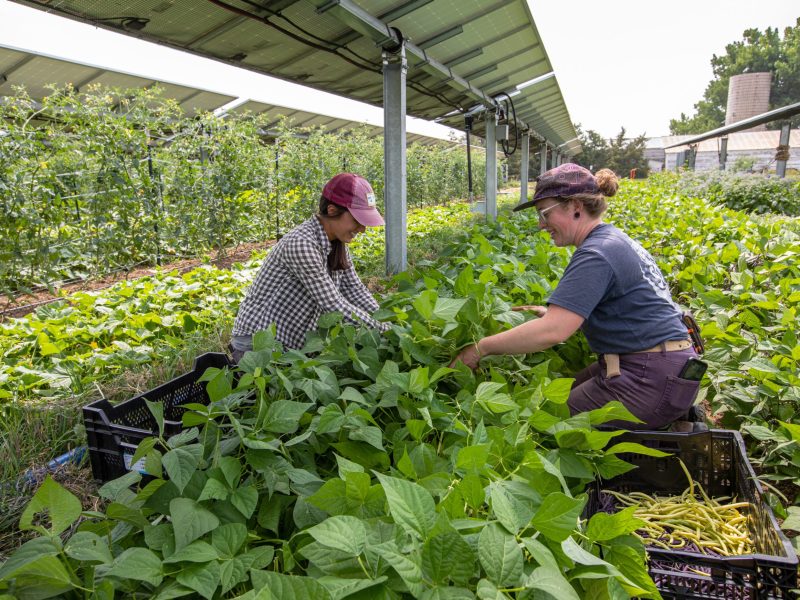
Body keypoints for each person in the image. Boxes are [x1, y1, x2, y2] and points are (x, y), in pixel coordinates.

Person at [451, 163, 699, 430]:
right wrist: (557, 314)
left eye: (545, 214)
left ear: (576, 207)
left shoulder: (597, 253)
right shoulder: (613, 239)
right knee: (554, 400)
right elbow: (628, 305)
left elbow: (553, 333)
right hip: (663, 368)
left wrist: (480, 348)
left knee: (543, 425)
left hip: (648, 377)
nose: (541, 225)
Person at [230, 173, 389, 362]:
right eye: (357, 220)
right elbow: (333, 304)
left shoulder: (337, 244)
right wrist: (384, 331)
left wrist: (384, 319)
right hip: (257, 344)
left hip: (287, 344)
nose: (362, 228)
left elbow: (353, 289)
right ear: (332, 210)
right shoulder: (302, 244)